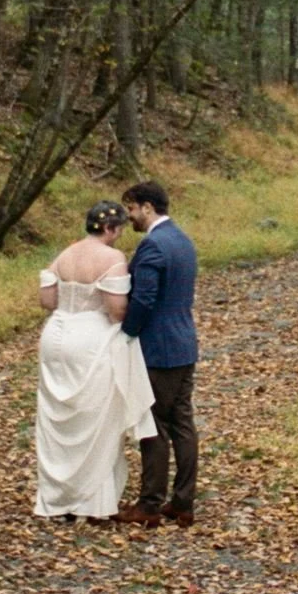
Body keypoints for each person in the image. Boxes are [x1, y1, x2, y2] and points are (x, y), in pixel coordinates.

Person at [33, 201, 157, 521]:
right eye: (119, 229)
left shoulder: (65, 254)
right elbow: (116, 310)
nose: (120, 235)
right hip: (90, 339)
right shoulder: (112, 258)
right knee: (93, 415)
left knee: (60, 416)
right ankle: (89, 501)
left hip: (56, 334)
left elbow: (47, 300)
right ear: (109, 228)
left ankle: (57, 497)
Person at [118, 181, 199, 528]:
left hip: (158, 349)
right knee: (183, 424)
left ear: (147, 207)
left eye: (132, 208)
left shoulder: (153, 245)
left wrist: (126, 333)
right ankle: (183, 502)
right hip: (184, 344)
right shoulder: (182, 240)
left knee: (152, 425)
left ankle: (150, 504)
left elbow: (145, 298)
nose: (129, 216)